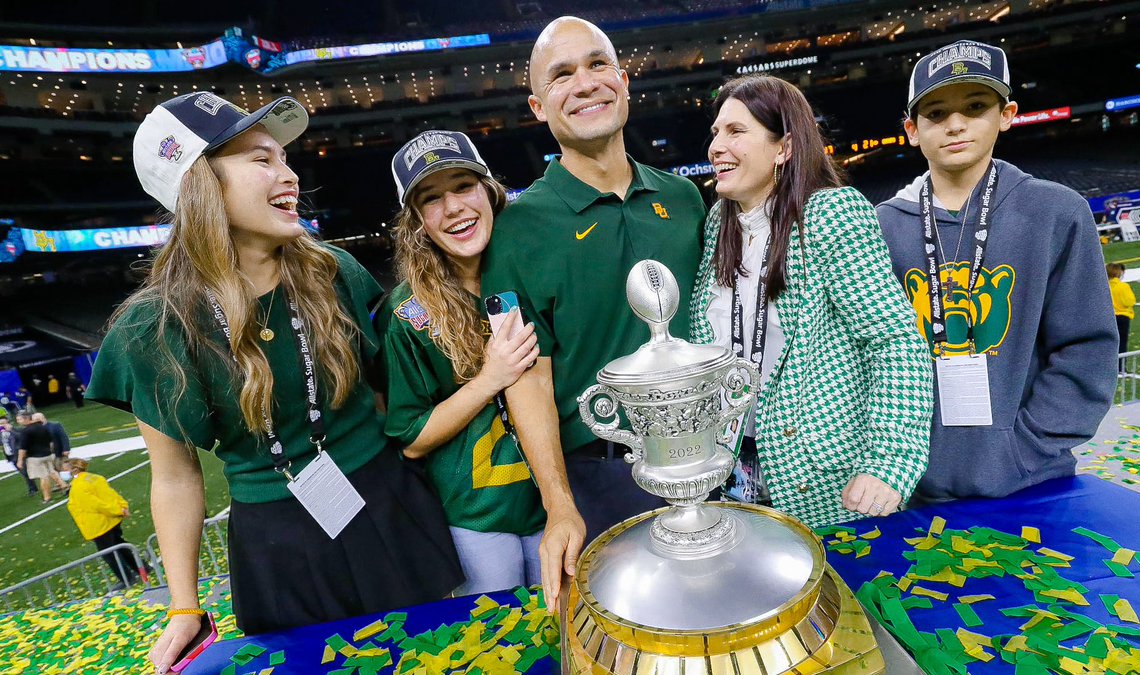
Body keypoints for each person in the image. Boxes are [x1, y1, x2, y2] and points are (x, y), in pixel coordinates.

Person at [85, 91, 462, 672]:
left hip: (392, 505)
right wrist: (183, 606)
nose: (288, 175)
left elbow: (393, 398)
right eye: (261, 160)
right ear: (199, 187)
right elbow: (176, 476)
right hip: (277, 546)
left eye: (283, 158)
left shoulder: (339, 271)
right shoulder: (151, 328)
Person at [480, 16, 707, 607]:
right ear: (537, 106)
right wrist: (559, 506)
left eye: (597, 64)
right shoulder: (515, 230)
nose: (584, 83)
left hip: (707, 457)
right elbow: (528, 375)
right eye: (561, 75)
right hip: (600, 477)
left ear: (624, 81)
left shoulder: (684, 200)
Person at [877, 40, 1118, 502]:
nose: (956, 124)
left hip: (1030, 480)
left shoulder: (1056, 210)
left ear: (1006, 115)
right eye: (935, 113)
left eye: (975, 105)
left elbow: (1086, 346)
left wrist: (1023, 448)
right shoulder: (881, 224)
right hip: (908, 487)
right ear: (911, 129)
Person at [688, 75, 932, 527]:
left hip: (821, 478)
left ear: (784, 147)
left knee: (841, 596)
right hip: (733, 469)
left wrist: (889, 462)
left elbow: (895, 341)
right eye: (715, 133)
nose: (716, 146)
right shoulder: (717, 225)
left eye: (736, 131)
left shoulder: (830, 214)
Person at [381, 131, 546, 595]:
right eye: (431, 198)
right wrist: (489, 380)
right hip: (477, 519)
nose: (452, 207)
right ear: (415, 222)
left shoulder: (535, 277)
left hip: (556, 500)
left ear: (490, 192)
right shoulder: (408, 313)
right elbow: (410, 439)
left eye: (463, 186)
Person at [64, 458, 141, 589]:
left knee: (109, 554)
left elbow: (96, 505)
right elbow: (111, 494)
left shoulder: (79, 486)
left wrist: (117, 510)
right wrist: (122, 507)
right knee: (120, 545)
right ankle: (141, 567)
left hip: (98, 524)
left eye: (64, 469)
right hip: (111, 520)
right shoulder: (94, 477)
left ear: (73, 470)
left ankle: (126, 578)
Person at [16, 410, 67, 503]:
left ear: (26, 419)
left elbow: (22, 448)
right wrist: (49, 451)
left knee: (43, 477)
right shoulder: (42, 427)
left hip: (35, 458)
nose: (18, 422)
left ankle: (47, 498)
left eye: (19, 419)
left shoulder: (26, 431)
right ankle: (64, 485)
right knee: (52, 471)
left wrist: (19, 460)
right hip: (48, 454)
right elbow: (51, 442)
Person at [1107, 263, 1135, 372]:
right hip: (1122, 316)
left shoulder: (1106, 285)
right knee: (1122, 343)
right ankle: (1120, 367)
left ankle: (1109, 366)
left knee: (1110, 342)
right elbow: (1130, 301)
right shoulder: (1123, 286)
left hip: (1109, 316)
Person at [1, 416, 37, 496]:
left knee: (25, 472)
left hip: (19, 454)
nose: (2, 425)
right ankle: (33, 488)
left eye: (4, 423)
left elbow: (22, 438)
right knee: (23, 472)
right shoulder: (1, 433)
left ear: (8, 423)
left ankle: (32, 489)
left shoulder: (15, 429)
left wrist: (11, 431)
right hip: (10, 456)